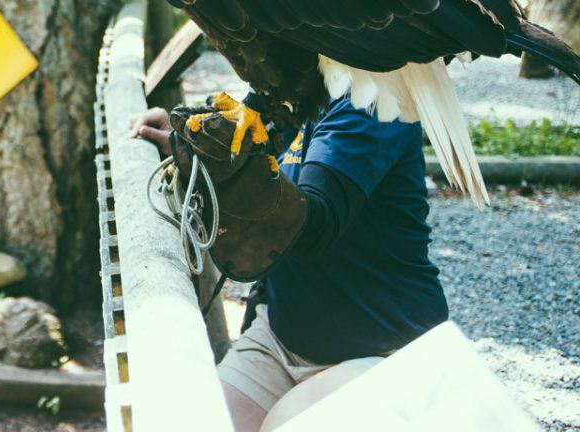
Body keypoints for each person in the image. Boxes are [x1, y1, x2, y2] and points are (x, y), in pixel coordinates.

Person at [132, 93, 449, 432]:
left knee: (284, 426)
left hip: (385, 350)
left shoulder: (371, 101)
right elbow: (242, 151)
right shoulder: (290, 86)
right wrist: (188, 148)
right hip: (282, 338)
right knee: (194, 424)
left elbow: (312, 229)